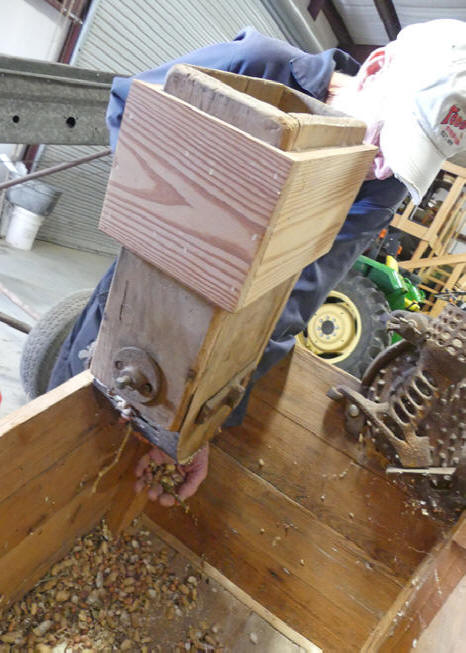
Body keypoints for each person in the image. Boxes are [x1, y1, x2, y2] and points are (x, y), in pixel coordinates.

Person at [48, 19, 466, 505]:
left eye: (403, 158)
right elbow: (131, 105)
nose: (383, 165)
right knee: (63, 424)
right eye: (390, 139)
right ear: (373, 71)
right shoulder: (260, 68)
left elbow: (300, 293)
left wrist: (203, 423)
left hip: (221, 333)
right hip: (143, 292)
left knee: (110, 466)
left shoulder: (383, 180)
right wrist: (183, 226)